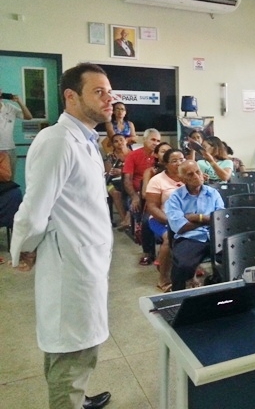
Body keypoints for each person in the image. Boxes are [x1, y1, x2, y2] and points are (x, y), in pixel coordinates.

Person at [10, 63, 114, 409]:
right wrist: (24, 249)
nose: (109, 99)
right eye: (98, 92)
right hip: (70, 266)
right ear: (71, 96)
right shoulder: (57, 141)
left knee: (82, 349)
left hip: (86, 260)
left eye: (109, 92)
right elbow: (33, 210)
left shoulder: (86, 139)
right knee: (70, 354)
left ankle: (78, 399)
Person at [165, 160, 224, 291]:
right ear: (182, 179)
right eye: (190, 174)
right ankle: (178, 295)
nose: (196, 176)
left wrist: (197, 217)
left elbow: (221, 220)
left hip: (216, 235)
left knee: (232, 261)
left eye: (198, 172)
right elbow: (180, 227)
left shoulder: (213, 193)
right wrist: (208, 219)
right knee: (182, 266)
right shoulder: (175, 197)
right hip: (190, 238)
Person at [145, 149, 185, 292]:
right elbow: (152, 207)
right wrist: (170, 221)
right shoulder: (157, 180)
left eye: (182, 159)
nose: (179, 163)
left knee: (197, 236)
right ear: (166, 164)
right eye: (174, 161)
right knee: (169, 238)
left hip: (185, 219)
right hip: (161, 219)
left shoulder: (190, 176)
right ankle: (163, 279)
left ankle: (190, 274)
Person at [123, 128, 162, 264]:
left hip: (160, 194)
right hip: (139, 193)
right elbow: (127, 179)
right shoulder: (133, 155)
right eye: (153, 140)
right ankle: (148, 250)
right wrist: (134, 196)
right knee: (143, 215)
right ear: (144, 140)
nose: (156, 143)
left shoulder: (160, 157)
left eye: (158, 141)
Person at [0, 88, 33, 178]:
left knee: (9, 179)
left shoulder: (10, 108)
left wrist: (19, 102)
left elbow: (28, 117)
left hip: (9, 149)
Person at [104, 133, 131, 229]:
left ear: (126, 141)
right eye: (116, 141)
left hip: (129, 180)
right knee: (115, 193)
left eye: (121, 140)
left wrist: (121, 171)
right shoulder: (110, 156)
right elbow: (109, 173)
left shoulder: (133, 154)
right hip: (111, 182)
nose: (119, 143)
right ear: (112, 144)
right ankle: (124, 220)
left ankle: (130, 218)